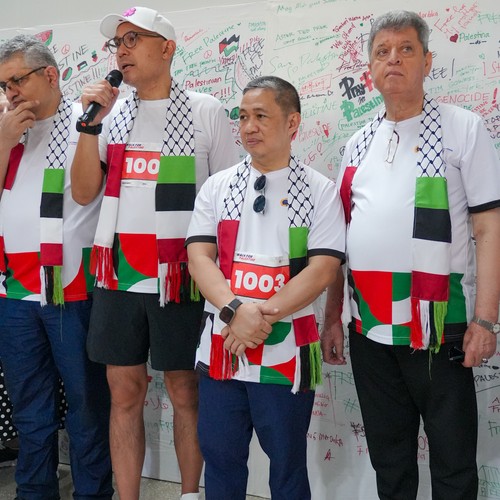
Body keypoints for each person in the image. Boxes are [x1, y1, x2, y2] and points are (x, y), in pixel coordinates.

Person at [321, 10, 500, 500]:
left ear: (427, 61)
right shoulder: (358, 143)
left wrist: (486, 321)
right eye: (382, 51)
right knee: (390, 457)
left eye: (406, 49)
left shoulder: (463, 129)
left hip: (440, 325)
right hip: (368, 328)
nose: (393, 59)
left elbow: (488, 228)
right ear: (370, 69)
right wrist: (333, 315)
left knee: (453, 457)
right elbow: (341, 241)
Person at [70, 6, 238, 500]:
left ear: (167, 49)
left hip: (181, 278)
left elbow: (228, 203)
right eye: (116, 42)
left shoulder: (206, 111)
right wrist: (89, 127)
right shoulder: (109, 114)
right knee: (124, 393)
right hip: (119, 275)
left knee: (186, 391)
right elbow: (83, 192)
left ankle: (188, 494)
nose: (121, 50)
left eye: (133, 39)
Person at [186, 75, 346, 500]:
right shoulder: (217, 186)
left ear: (292, 123)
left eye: (261, 116)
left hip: (287, 352)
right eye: (242, 117)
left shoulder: (320, 190)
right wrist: (236, 312)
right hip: (223, 346)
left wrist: (255, 318)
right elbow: (199, 258)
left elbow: (322, 270)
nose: (249, 126)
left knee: (287, 465)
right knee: (220, 457)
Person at [0, 35, 113, 499]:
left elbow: (87, 195)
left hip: (72, 289)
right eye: (4, 85)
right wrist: (4, 140)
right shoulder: (6, 129)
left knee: (87, 405)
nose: (10, 92)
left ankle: (92, 493)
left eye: (17, 80)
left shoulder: (88, 121)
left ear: (50, 75)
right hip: (13, 291)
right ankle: (34, 492)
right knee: (29, 407)